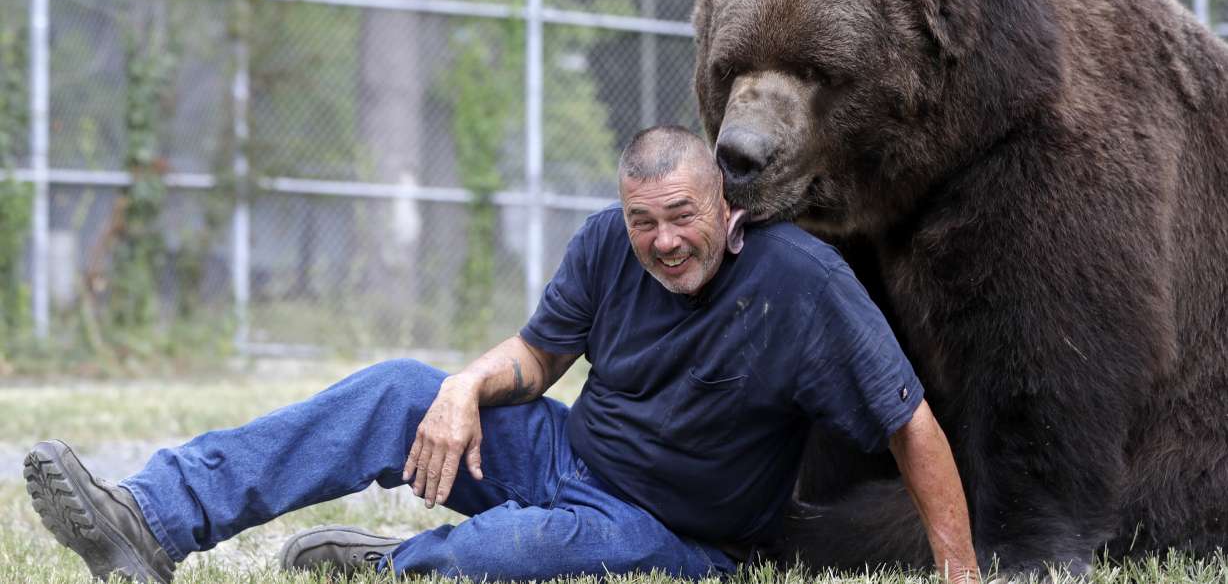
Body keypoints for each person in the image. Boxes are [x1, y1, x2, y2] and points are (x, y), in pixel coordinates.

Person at [24, 126, 978, 583]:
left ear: (729, 214)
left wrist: (959, 574)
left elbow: (909, 423)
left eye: (682, 216)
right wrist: (463, 388)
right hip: (568, 455)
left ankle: (402, 567)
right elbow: (536, 354)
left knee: (517, 554)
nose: (662, 240)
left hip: (683, 535)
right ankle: (150, 519)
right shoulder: (609, 243)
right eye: (645, 221)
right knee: (400, 388)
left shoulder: (801, 282)